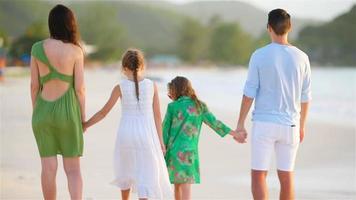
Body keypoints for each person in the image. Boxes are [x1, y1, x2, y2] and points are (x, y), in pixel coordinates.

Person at [235, 9, 312, 200]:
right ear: (290, 27)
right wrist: (302, 126)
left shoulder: (259, 55)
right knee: (286, 177)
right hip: (291, 125)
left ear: (269, 27)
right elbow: (306, 97)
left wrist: (240, 124)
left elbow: (249, 93)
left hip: (264, 124)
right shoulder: (302, 57)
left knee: (259, 175)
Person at [83, 49, 172, 200]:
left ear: (124, 67)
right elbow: (157, 116)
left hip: (126, 134)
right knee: (146, 177)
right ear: (142, 66)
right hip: (146, 135)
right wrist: (161, 142)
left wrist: (85, 124)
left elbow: (103, 113)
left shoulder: (120, 87)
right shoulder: (152, 85)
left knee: (126, 173)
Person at [31, 4, 85, 200]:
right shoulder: (76, 51)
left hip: (43, 110)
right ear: (70, 24)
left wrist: (36, 112)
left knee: (48, 167)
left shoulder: (37, 48)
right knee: (73, 170)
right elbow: (79, 89)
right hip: (68, 113)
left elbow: (34, 86)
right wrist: (83, 116)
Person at [163, 76, 246, 200]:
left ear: (176, 91)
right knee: (186, 186)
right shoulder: (199, 106)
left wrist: (161, 148)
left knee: (177, 185)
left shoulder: (172, 107)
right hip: (189, 153)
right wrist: (234, 133)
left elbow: (164, 130)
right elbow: (215, 123)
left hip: (173, 152)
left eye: (171, 93)